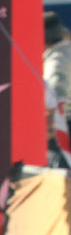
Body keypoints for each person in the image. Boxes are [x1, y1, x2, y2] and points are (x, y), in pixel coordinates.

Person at [44, 11, 71, 168]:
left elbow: (57, 97)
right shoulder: (66, 50)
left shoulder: (56, 62)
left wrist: (50, 125)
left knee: (61, 175)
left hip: (64, 128)